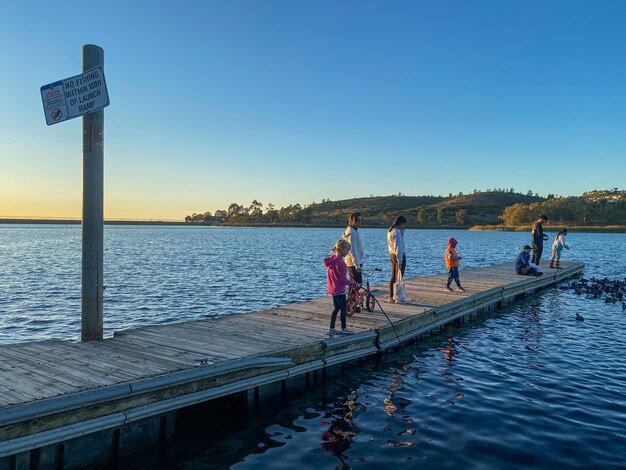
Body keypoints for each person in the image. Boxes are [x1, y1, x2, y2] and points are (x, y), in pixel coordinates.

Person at [323, 239, 360, 337]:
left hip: (332, 290)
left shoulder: (332, 260)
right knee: (343, 309)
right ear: (342, 249)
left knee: (336, 309)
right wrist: (354, 284)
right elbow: (343, 280)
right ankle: (344, 328)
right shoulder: (341, 264)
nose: (348, 252)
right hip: (339, 290)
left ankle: (332, 329)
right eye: (347, 250)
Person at [343, 212, 364, 311]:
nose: (359, 222)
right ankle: (349, 306)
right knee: (357, 283)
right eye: (357, 220)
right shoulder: (352, 232)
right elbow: (353, 250)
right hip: (353, 262)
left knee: (354, 283)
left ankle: (352, 305)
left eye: (360, 220)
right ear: (352, 221)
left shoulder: (353, 231)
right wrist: (357, 265)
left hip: (354, 261)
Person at [387, 216, 407, 302]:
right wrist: (400, 260)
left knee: (393, 276)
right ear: (401, 223)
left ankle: (391, 296)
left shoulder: (390, 231)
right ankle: (397, 297)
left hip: (391, 254)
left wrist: (402, 230)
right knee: (399, 277)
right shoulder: (397, 232)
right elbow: (398, 247)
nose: (404, 227)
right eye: (404, 225)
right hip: (398, 255)